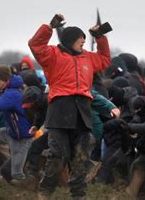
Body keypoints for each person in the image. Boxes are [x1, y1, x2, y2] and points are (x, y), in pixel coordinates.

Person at [28, 14, 111, 199]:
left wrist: (100, 37)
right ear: (70, 40)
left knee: (80, 159)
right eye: (80, 41)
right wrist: (49, 28)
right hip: (60, 109)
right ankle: (45, 192)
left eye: (84, 41)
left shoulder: (88, 57)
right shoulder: (52, 55)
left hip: (82, 110)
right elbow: (35, 45)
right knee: (58, 155)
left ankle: (78, 195)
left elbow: (105, 59)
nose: (83, 43)